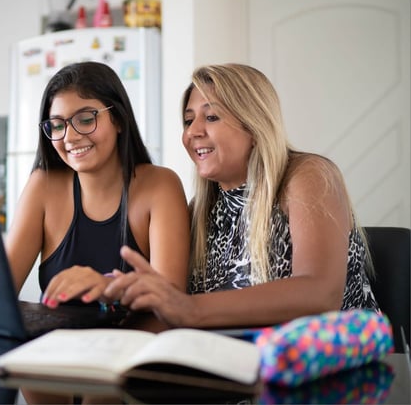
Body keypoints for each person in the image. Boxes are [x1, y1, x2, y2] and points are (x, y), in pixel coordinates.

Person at [104, 63, 380, 329]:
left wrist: (191, 308)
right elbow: (167, 307)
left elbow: (320, 294)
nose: (192, 132)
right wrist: (109, 294)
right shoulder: (200, 211)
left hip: (332, 362)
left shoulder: (307, 175)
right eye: (189, 120)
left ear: (254, 124)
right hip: (236, 365)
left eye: (211, 117)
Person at [4, 60, 190, 310]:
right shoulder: (42, 186)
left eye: (85, 119)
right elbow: (0, 293)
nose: (70, 136)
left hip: (133, 345)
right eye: (58, 125)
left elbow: (173, 304)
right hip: (55, 344)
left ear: (118, 120)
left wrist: (108, 286)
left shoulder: (160, 186)